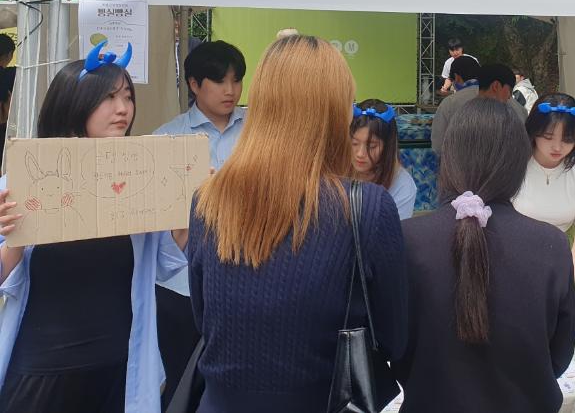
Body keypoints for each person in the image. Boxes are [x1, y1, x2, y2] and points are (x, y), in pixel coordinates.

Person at [186, 34, 408, 413]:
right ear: (334, 111)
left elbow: (205, 320)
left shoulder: (207, 200)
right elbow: (394, 338)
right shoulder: (367, 208)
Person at [0, 42, 188, 413]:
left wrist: (187, 204)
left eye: (128, 97)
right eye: (108, 97)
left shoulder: (141, 182)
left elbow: (169, 262)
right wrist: (16, 235)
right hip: (42, 369)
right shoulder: (20, 183)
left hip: (118, 369)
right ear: (73, 103)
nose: (123, 109)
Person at [393, 98, 575, 413]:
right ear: (519, 163)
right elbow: (559, 356)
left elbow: (394, 348)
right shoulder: (552, 245)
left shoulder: (407, 240)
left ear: (449, 159)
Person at [153, 39, 247, 407]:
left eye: (236, 80)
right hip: (181, 285)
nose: (230, 90)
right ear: (194, 84)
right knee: (180, 383)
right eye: (219, 81)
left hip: (245, 277)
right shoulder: (167, 138)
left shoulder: (258, 133)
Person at [512, 93, 575, 280]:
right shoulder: (513, 163)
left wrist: (565, 284)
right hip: (512, 261)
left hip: (560, 265)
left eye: (567, 139)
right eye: (548, 137)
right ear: (534, 131)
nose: (557, 147)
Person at [351, 98, 418, 219]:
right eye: (354, 143)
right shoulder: (334, 171)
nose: (360, 154)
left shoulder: (402, 186)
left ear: (387, 147)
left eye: (372, 146)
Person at [431, 55, 480, 153]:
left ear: (457, 77)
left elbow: (438, 145)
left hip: (460, 159)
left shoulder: (450, 103)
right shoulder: (503, 99)